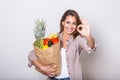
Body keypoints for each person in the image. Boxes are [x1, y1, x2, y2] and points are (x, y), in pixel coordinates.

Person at [28, 9, 96, 80]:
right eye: (68, 22)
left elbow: (91, 47)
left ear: (76, 25)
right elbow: (32, 54)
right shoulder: (54, 38)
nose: (70, 26)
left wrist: (88, 36)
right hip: (53, 78)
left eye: (74, 23)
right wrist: (42, 67)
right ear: (63, 22)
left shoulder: (77, 39)